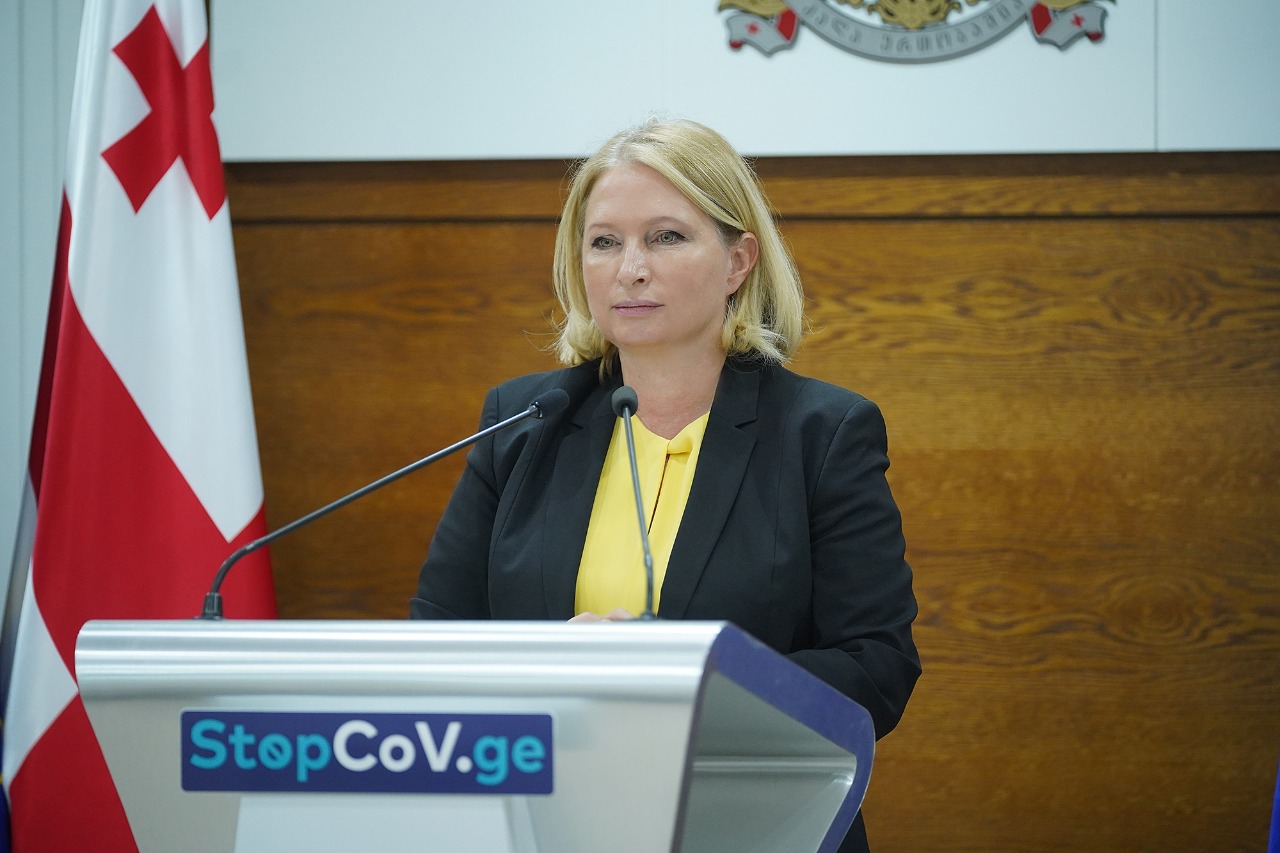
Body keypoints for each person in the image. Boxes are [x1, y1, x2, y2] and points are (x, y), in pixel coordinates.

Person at [410, 117, 920, 853]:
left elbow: (875, 667)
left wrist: (678, 677)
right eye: (604, 242)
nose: (630, 268)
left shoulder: (822, 433)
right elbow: (438, 642)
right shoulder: (523, 423)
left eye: (666, 237)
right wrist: (550, 670)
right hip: (549, 817)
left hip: (751, 822)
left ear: (739, 260)